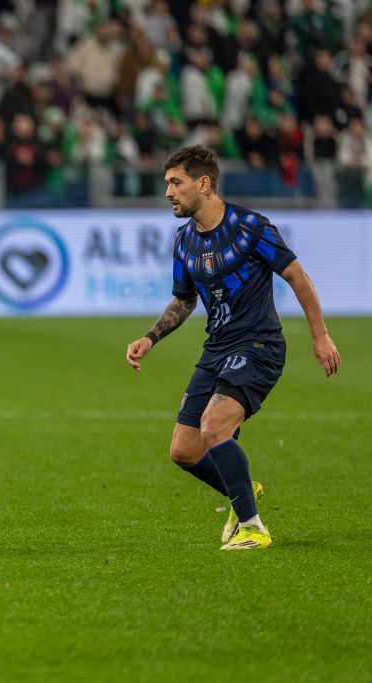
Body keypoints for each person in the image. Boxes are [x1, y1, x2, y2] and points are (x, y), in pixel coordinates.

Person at [125, 145, 341, 551]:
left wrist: (320, 335)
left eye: (176, 182)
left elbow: (297, 276)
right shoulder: (184, 239)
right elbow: (185, 300)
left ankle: (253, 527)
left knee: (214, 426)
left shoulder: (250, 226)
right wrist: (150, 338)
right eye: (166, 184)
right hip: (217, 348)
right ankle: (242, 488)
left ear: (203, 183)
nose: (168, 192)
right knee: (183, 451)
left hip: (258, 345)